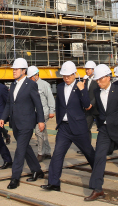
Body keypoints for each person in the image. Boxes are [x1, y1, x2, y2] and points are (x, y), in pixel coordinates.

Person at [85, 64, 118, 201]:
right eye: (96, 80)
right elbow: (94, 108)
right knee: (99, 157)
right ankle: (97, 189)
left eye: (100, 79)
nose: (98, 82)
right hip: (104, 130)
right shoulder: (97, 92)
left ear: (108, 78)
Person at [41, 61, 95, 192]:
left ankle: (98, 172)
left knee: (89, 152)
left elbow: (87, 105)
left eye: (68, 76)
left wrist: (82, 90)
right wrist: (59, 123)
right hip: (64, 128)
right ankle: (54, 183)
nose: (66, 78)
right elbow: (60, 106)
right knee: (57, 154)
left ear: (74, 74)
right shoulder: (60, 87)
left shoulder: (81, 86)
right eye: (64, 76)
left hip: (78, 127)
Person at [0, 58, 45, 190]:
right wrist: (3, 117)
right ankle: (37, 170)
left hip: (27, 123)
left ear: (23, 71)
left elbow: (38, 104)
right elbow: (9, 103)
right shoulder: (13, 85)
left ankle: (15, 178)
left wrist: (41, 120)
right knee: (26, 148)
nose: (13, 71)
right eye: (13, 69)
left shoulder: (31, 85)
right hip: (15, 123)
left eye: (16, 69)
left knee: (19, 150)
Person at [28, 66, 55, 161]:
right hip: (35, 113)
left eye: (31, 77)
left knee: (38, 131)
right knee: (43, 132)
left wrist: (52, 111)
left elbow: (50, 98)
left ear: (36, 75)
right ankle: (47, 152)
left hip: (44, 112)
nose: (30, 79)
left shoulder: (44, 85)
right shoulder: (30, 85)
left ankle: (40, 153)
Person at [83, 61, 99, 131]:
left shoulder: (98, 80)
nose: (87, 71)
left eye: (88, 69)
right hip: (88, 110)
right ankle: (87, 142)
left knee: (102, 129)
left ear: (93, 70)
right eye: (86, 69)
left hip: (97, 109)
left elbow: (98, 94)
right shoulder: (86, 80)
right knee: (86, 128)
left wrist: (92, 103)